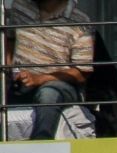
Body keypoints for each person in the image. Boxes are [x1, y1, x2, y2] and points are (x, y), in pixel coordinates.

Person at [6, 0, 92, 141]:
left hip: (61, 85)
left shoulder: (79, 19)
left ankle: (42, 143)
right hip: (21, 82)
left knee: (49, 94)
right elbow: (9, 40)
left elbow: (82, 72)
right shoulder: (20, 6)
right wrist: (10, 69)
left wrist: (39, 78)